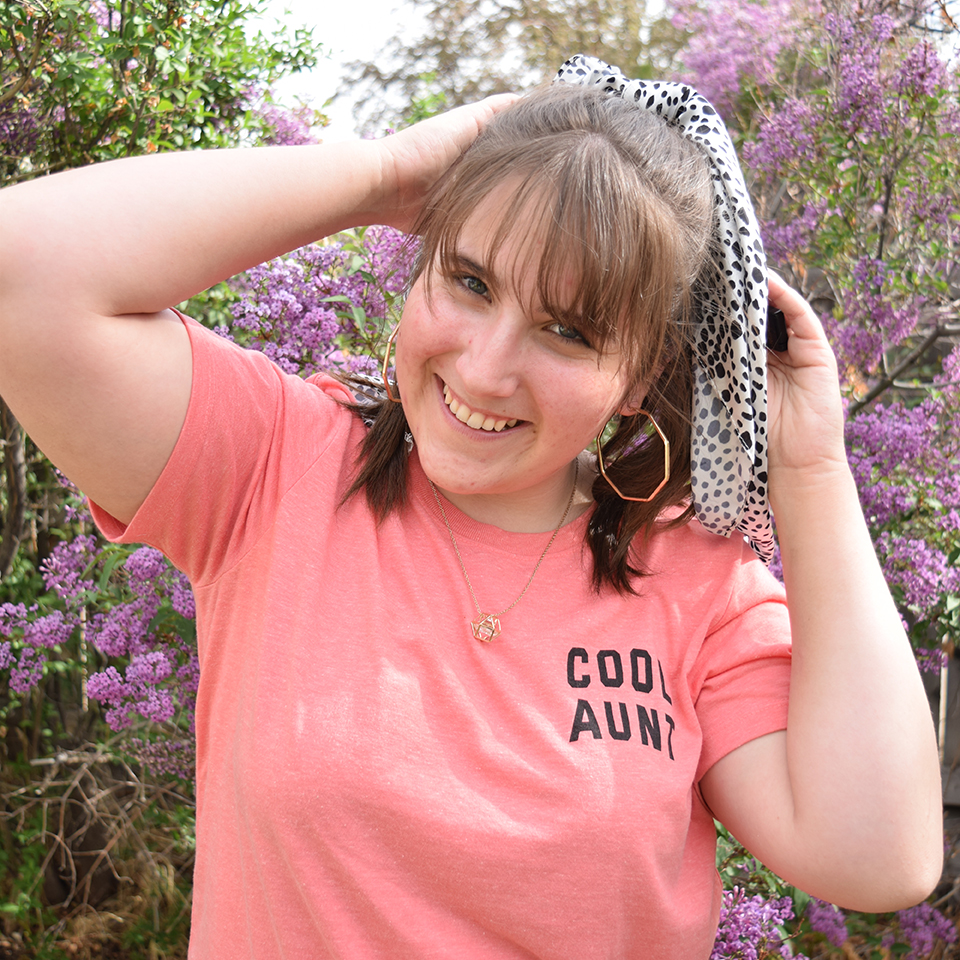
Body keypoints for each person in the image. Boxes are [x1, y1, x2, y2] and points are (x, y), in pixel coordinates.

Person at [0, 54, 944, 960]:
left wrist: (812, 469)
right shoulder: (272, 467)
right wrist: (386, 171)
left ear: (641, 376)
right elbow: (19, 275)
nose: (486, 370)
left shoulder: (699, 589)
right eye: (469, 280)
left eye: (567, 332)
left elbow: (878, 855)